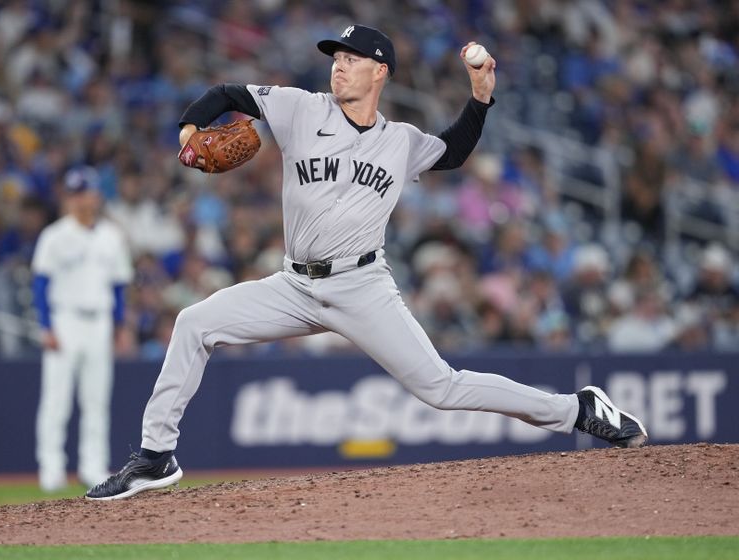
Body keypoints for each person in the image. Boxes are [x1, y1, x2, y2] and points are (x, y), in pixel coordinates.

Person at [86, 25, 647, 501]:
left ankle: (575, 409)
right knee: (194, 323)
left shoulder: (400, 141)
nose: (339, 67)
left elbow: (453, 151)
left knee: (442, 388)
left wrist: (480, 97)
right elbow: (227, 94)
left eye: (352, 60)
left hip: (362, 285)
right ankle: (157, 455)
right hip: (294, 283)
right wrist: (189, 128)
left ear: (380, 72)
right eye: (337, 58)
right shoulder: (300, 108)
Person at [32, 167, 133, 492]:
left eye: (85, 192)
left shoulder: (111, 236)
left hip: (99, 321)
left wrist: (119, 326)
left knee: (96, 400)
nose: (80, 199)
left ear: (96, 195)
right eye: (74, 194)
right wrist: (46, 326)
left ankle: (93, 465)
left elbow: (118, 286)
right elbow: (40, 284)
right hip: (65, 319)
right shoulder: (54, 236)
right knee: (56, 399)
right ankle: (51, 468)